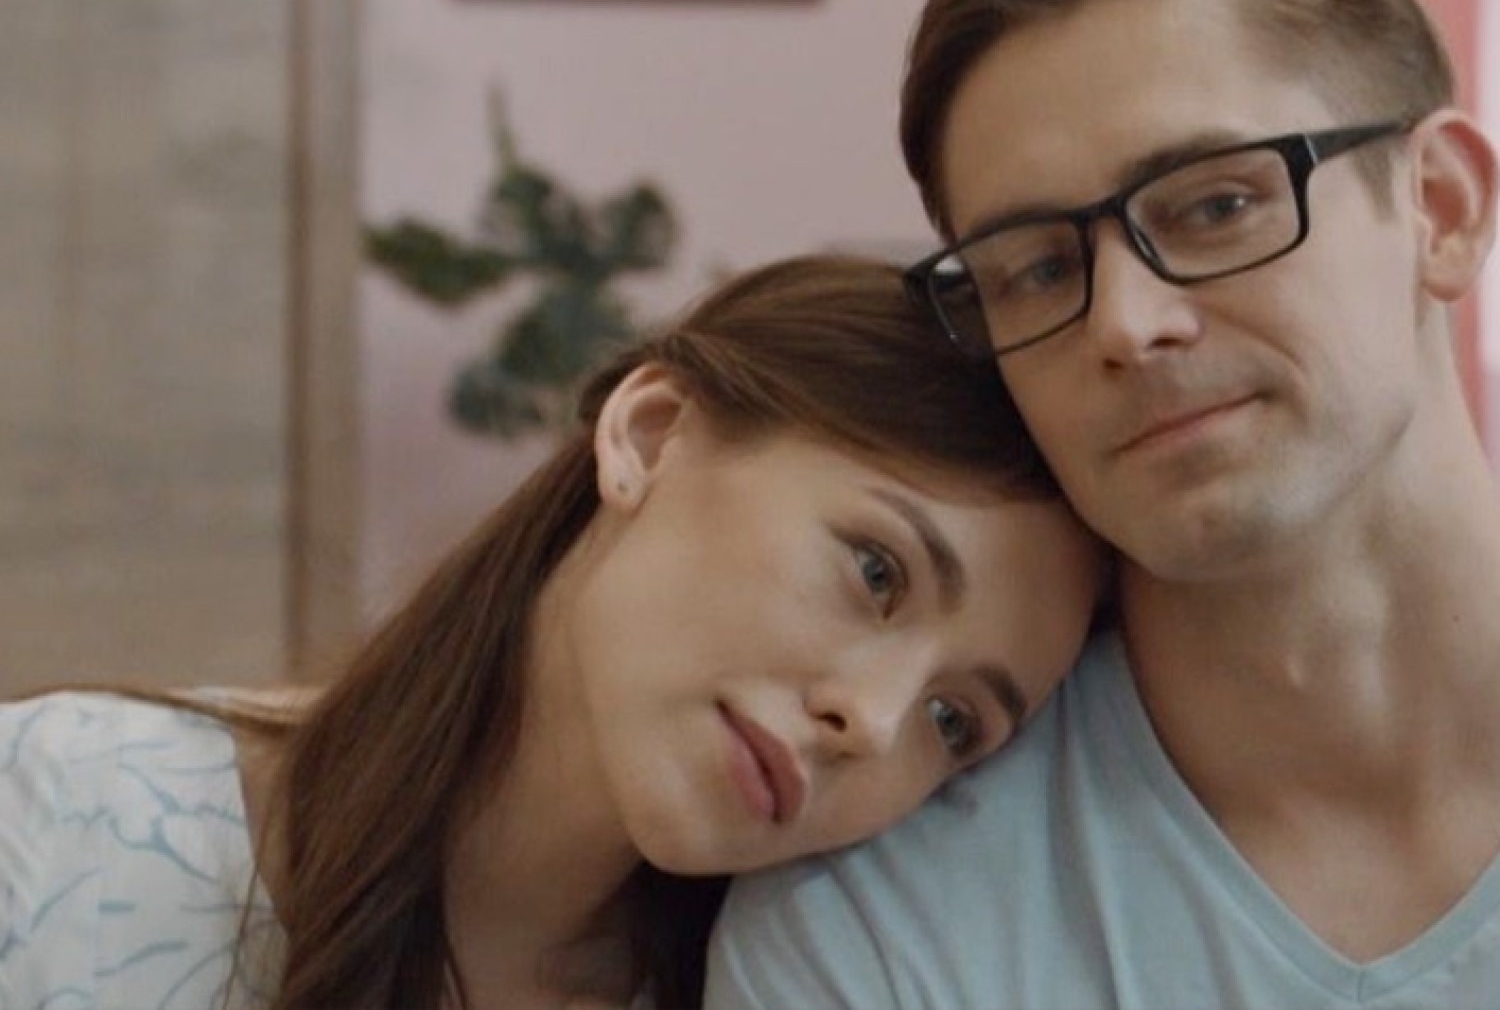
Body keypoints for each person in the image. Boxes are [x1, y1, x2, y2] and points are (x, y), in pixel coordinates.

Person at [706, 0, 1500, 1007]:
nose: (1124, 324)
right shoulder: (871, 922)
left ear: (1441, 208)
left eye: (1215, 206)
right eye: (1037, 269)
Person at [0, 255, 1106, 1010]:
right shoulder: (57, 822)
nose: (870, 718)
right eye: (876, 571)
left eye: (954, 720)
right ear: (651, 435)